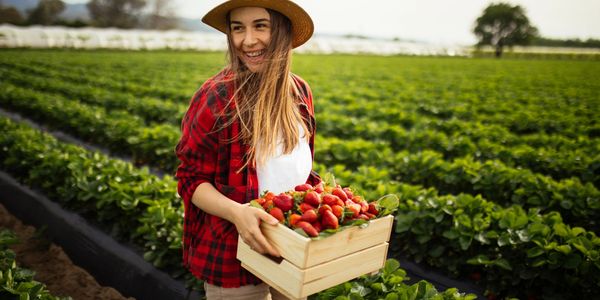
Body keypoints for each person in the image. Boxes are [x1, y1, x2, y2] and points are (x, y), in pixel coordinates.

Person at [175, 1, 320, 299]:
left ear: (281, 31)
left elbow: (295, 172)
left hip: (292, 242)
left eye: (260, 26)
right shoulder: (217, 97)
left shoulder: (300, 92)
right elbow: (190, 179)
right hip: (233, 251)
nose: (248, 40)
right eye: (238, 28)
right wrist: (238, 213)